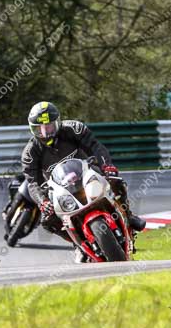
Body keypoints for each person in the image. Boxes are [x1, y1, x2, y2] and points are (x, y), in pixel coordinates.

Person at [21, 101, 146, 258]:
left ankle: (128, 216)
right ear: (32, 129)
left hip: (86, 173)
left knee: (116, 180)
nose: (45, 133)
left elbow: (95, 146)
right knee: (48, 221)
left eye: (49, 127)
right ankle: (77, 243)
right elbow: (32, 182)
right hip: (59, 187)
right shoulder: (30, 152)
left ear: (58, 122)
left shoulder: (73, 129)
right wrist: (42, 201)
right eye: (39, 129)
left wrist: (107, 166)